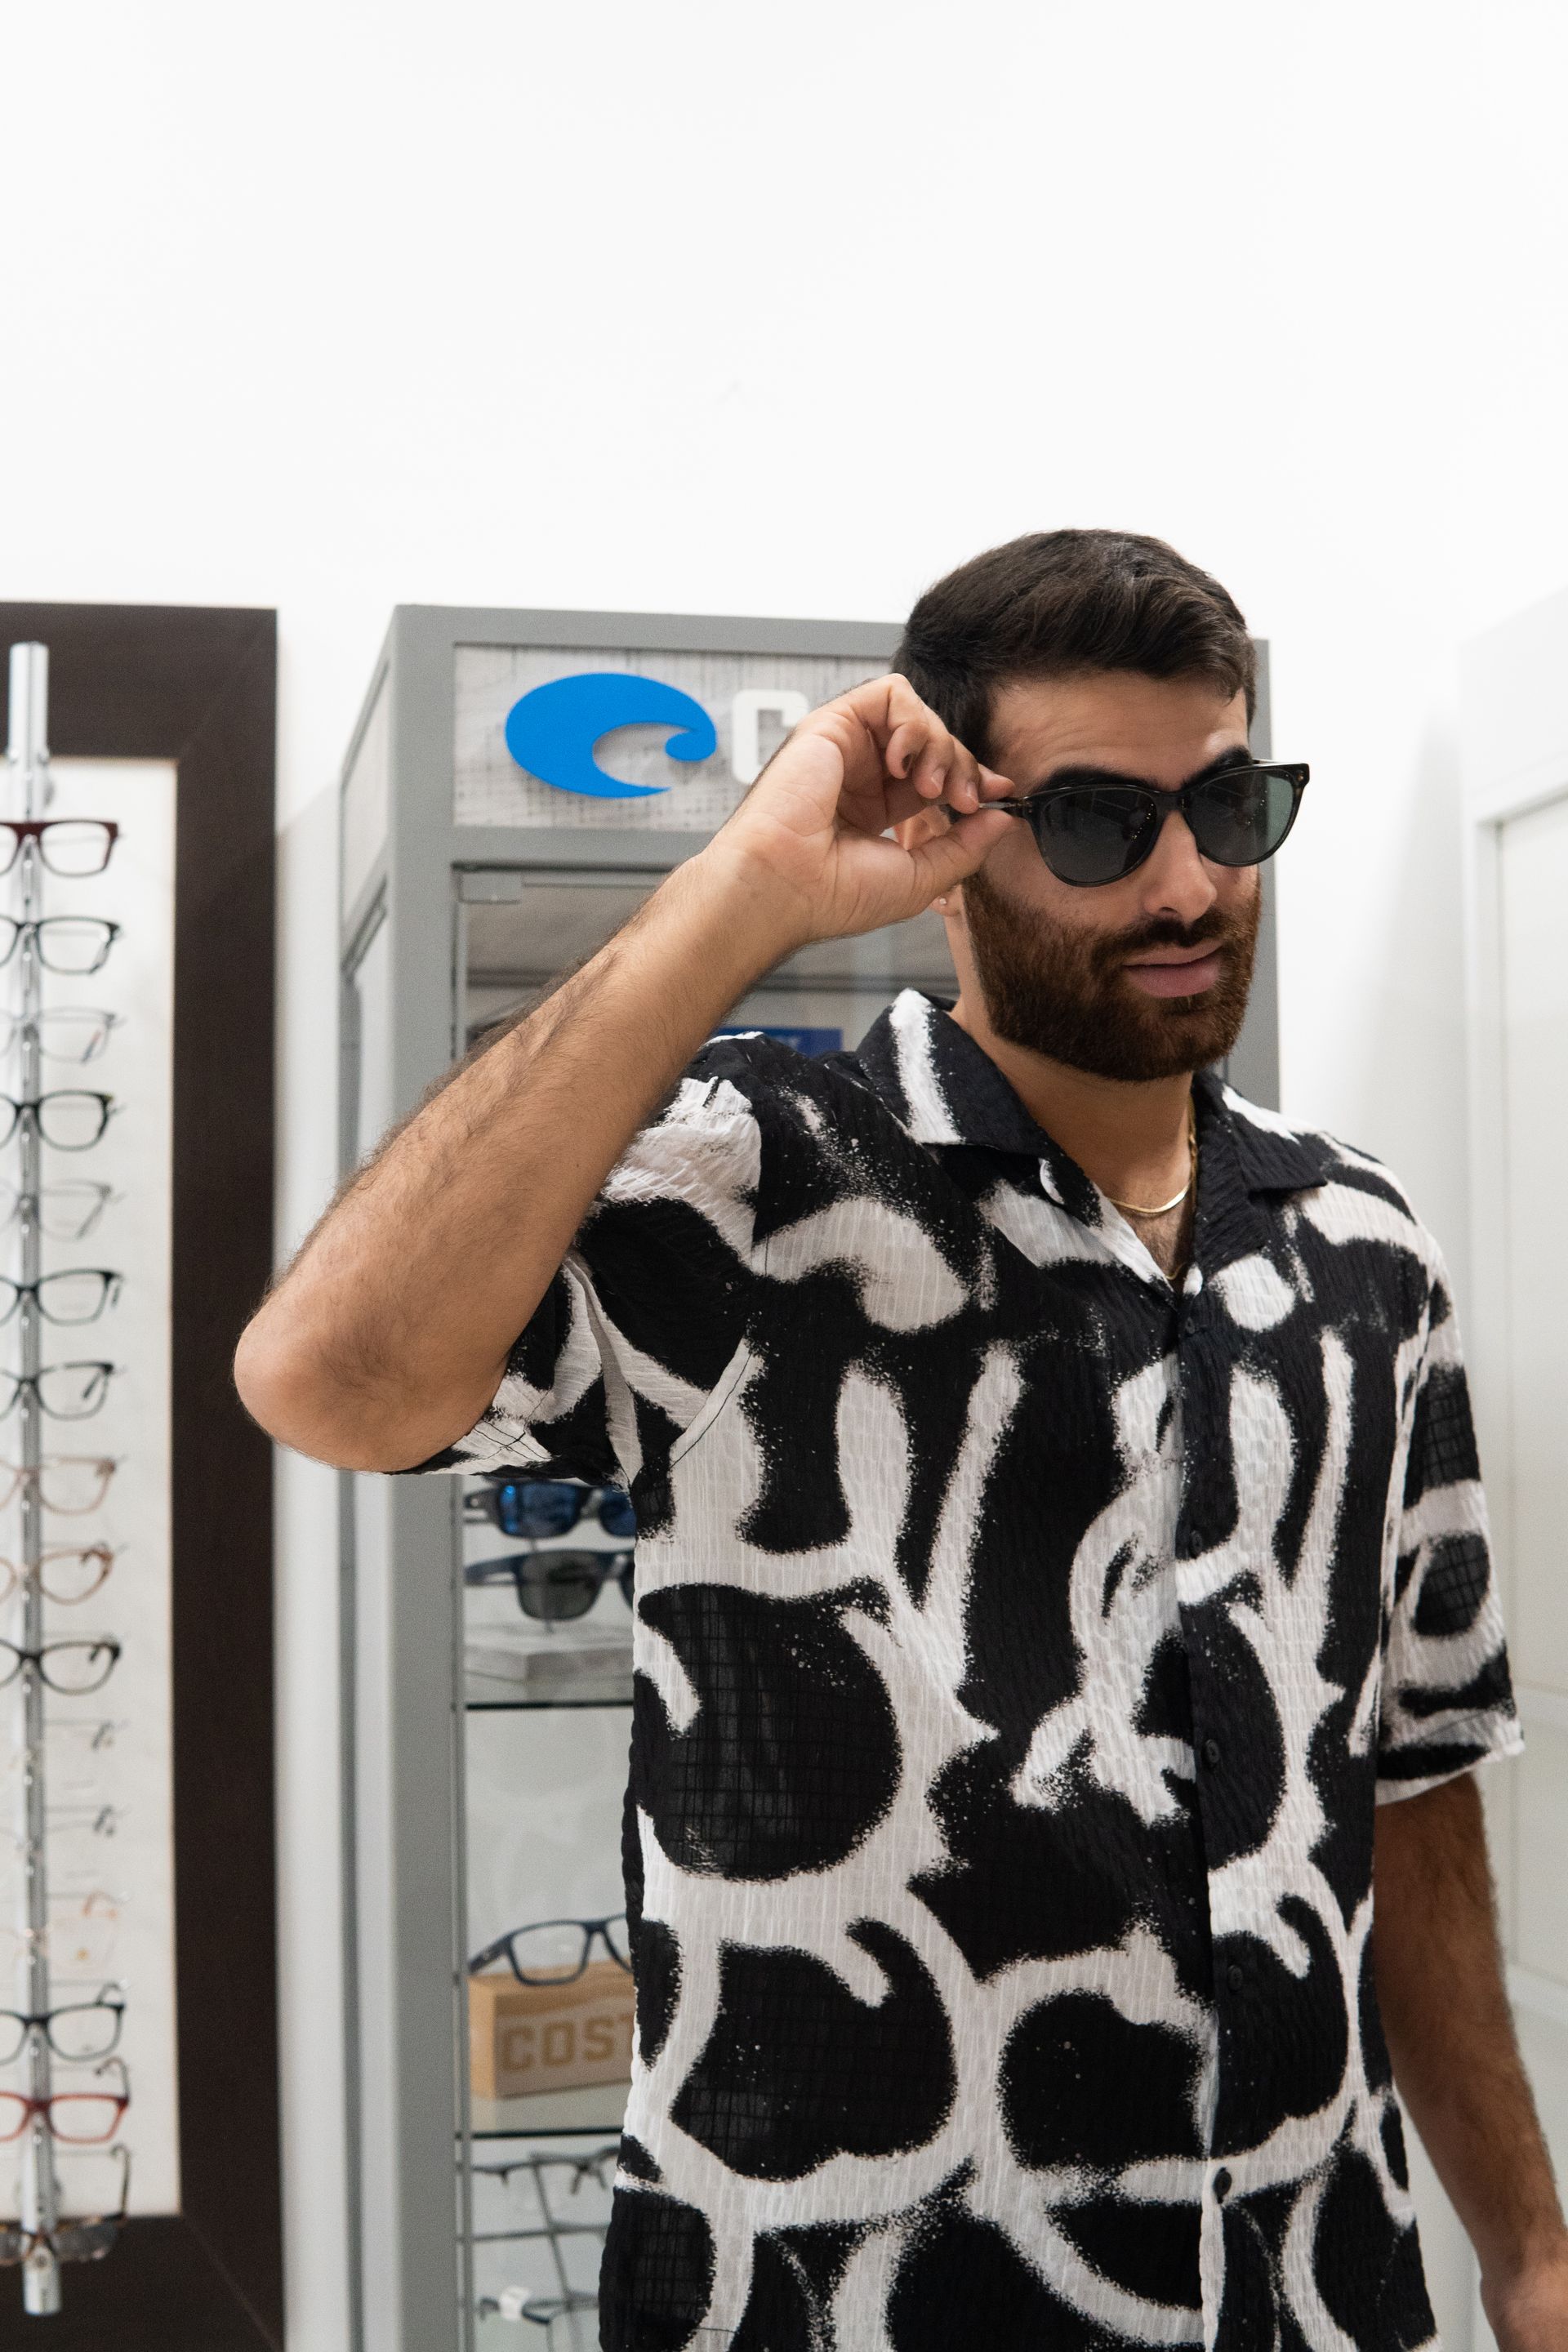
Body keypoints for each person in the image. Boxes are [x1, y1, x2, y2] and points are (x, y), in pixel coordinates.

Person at [235, 531, 1566, 2352]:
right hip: (831, 2304)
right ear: (957, 844)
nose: (1188, 883)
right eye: (1102, 824)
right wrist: (744, 887)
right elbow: (329, 1378)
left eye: (1230, 804)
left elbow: (1412, 1797)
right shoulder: (759, 1184)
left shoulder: (1364, 1244)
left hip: (1314, 2289)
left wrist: (1530, 2250)